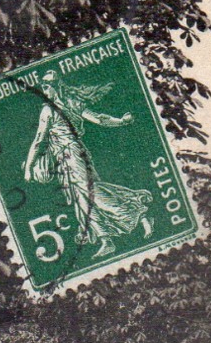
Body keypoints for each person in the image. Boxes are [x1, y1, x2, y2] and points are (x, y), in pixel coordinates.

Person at [23, 69, 155, 258]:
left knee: (90, 192)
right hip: (70, 157)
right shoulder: (69, 104)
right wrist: (121, 121)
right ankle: (106, 239)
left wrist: (29, 167)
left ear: (57, 86)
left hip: (71, 155)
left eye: (47, 86)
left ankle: (137, 213)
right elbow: (99, 118)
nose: (44, 90)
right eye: (43, 86)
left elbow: (39, 140)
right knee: (83, 198)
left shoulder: (49, 110)